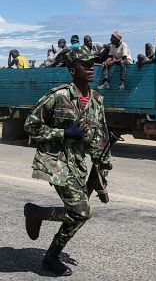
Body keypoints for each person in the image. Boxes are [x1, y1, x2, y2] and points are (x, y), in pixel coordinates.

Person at [23, 46, 111, 276]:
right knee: (82, 211)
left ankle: (36, 214)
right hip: (56, 162)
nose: (92, 67)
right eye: (86, 64)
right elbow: (30, 126)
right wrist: (63, 133)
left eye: (93, 63)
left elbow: (100, 138)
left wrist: (102, 175)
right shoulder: (58, 96)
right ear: (73, 69)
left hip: (79, 165)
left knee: (77, 213)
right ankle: (50, 257)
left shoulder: (97, 100)